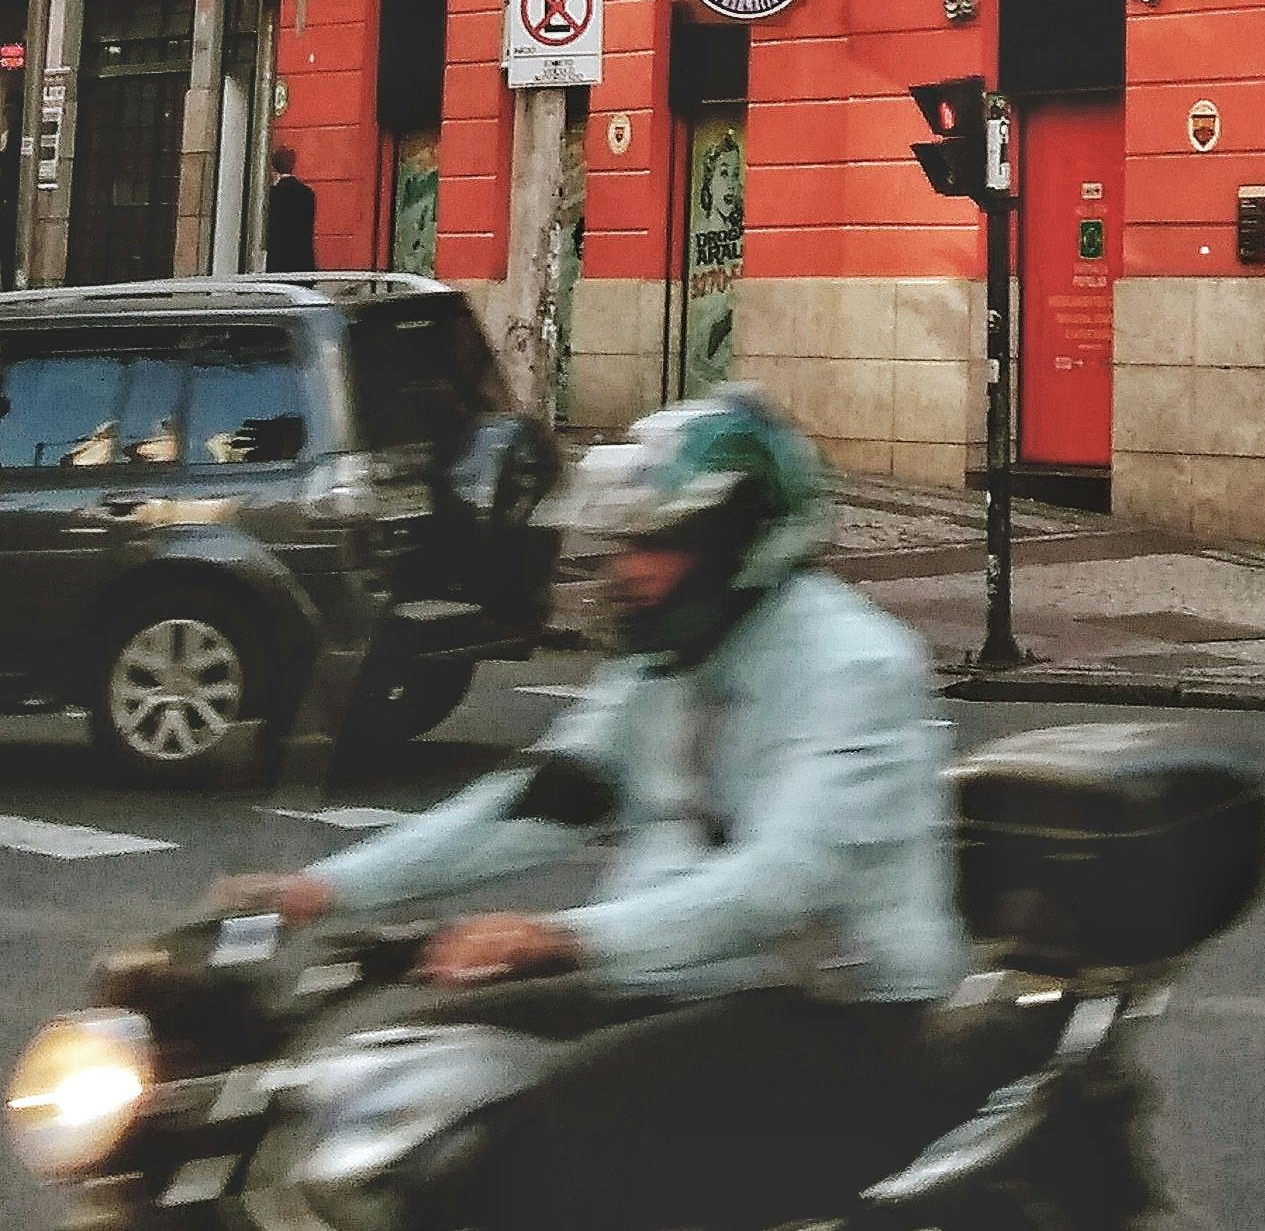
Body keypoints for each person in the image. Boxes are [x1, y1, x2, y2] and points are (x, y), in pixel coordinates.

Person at [224, 389, 964, 1231]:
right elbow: (538, 802)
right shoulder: (666, 662)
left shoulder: (851, 667)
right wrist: (322, 890)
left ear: (741, 542)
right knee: (409, 1080)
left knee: (552, 1133)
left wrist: (561, 937)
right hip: (677, 983)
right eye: (623, 544)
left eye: (657, 545)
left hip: (842, 1015)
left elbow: (781, 882)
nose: (626, 570)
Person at [261, 146, 318, 273]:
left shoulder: (273, 195)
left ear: (273, 167)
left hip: (278, 262)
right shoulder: (307, 193)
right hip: (302, 262)